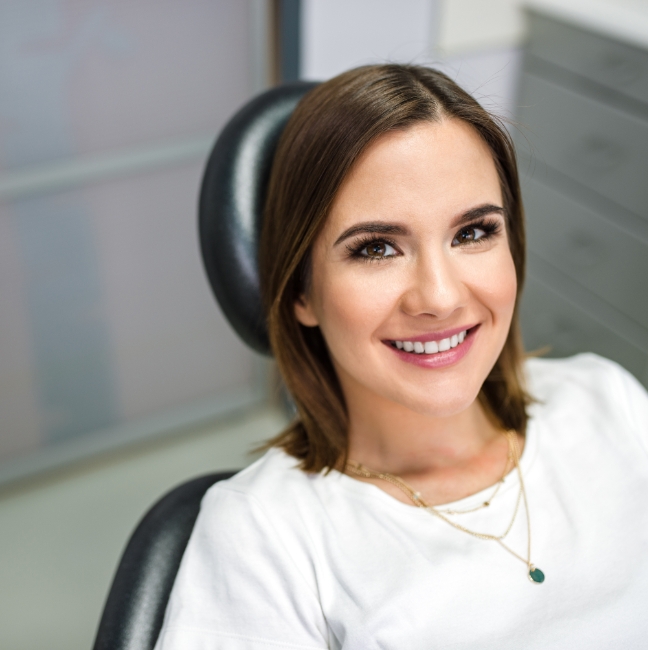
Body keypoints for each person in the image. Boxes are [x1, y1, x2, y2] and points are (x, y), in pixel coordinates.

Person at [154, 64, 648, 649]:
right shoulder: (261, 535)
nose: (440, 298)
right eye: (377, 248)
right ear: (301, 291)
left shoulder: (608, 401)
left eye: (472, 233)